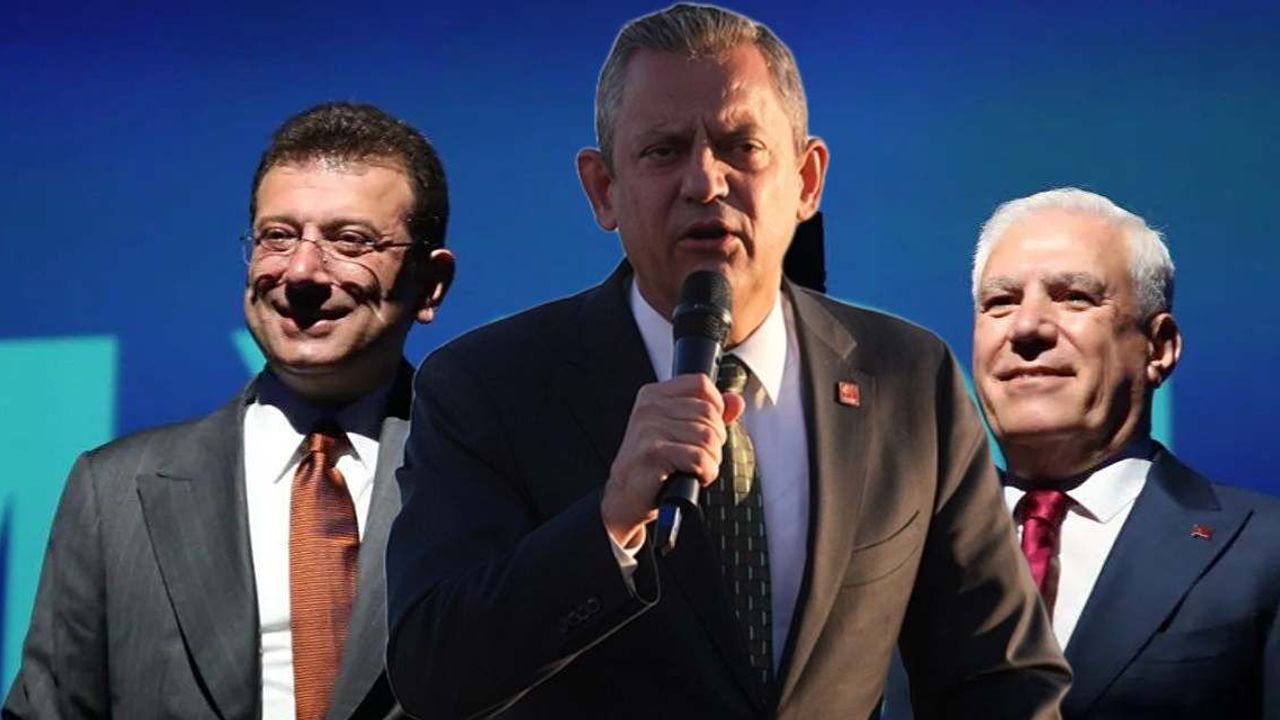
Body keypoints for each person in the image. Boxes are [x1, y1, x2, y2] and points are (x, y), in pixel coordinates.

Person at [385, 4, 1069, 718]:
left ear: (807, 180)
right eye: (663, 151)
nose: (705, 182)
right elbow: (436, 675)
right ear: (603, 190)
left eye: (742, 147)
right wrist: (609, 523)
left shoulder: (910, 379)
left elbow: (999, 679)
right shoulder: (487, 387)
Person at [4, 102, 455, 720]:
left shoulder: (488, 472)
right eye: (278, 236)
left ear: (430, 285)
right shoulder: (113, 492)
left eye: (349, 241)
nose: (301, 271)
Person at [971, 187, 1280, 718]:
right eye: (1001, 302)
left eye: (1074, 296)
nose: (1026, 327)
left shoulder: (1264, 550)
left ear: (1157, 348)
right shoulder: (898, 548)